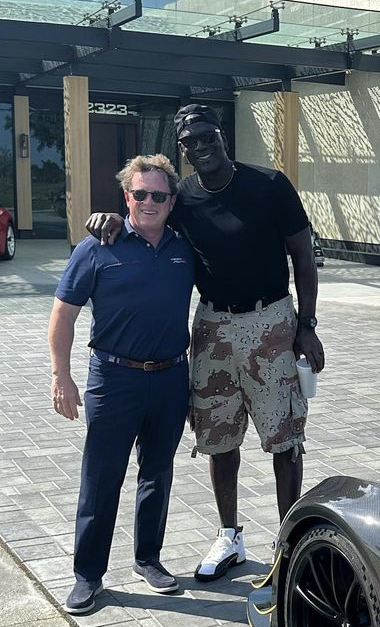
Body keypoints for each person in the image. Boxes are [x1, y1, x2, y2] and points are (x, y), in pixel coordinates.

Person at [86, 104, 325, 584]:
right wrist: (112, 219)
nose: (201, 146)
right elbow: (148, 214)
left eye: (208, 136)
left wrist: (307, 324)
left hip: (271, 321)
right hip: (212, 326)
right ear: (183, 149)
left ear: (222, 137)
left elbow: (303, 255)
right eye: (191, 140)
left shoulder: (270, 185)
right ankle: (229, 535)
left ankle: (288, 539)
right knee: (218, 436)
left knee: (285, 439)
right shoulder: (184, 196)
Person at [50, 155, 194, 615]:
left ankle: (148, 560)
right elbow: (63, 315)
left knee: (157, 472)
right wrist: (61, 375)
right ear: (126, 196)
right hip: (113, 379)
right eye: (139, 194)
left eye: (158, 195)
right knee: (102, 478)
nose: (148, 202)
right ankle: (88, 576)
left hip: (171, 377)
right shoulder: (96, 246)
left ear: (172, 201)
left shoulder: (185, 246)